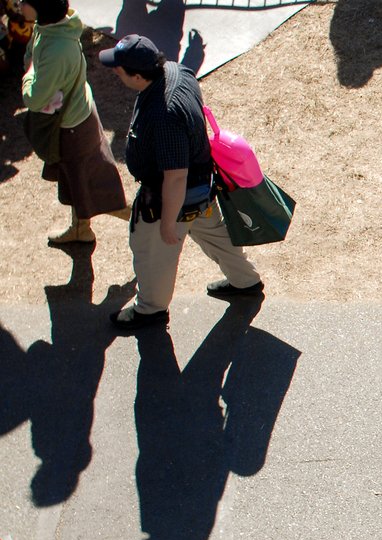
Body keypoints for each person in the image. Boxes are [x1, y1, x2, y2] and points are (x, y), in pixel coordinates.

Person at [98, 34, 263, 333]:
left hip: (171, 199)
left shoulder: (164, 116)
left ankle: (150, 310)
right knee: (216, 236)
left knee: (153, 255)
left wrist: (167, 224)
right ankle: (246, 281)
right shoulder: (177, 71)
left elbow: (175, 177)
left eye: (119, 70)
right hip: (202, 189)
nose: (114, 72)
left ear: (137, 76)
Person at [19, 0, 127, 245]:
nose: (19, 4)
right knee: (77, 182)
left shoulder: (56, 49)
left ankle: (144, 221)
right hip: (79, 117)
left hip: (73, 129)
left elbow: (34, 99)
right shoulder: (52, 26)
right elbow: (32, 53)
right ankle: (81, 229)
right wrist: (33, 64)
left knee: (96, 191)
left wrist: (29, 74)